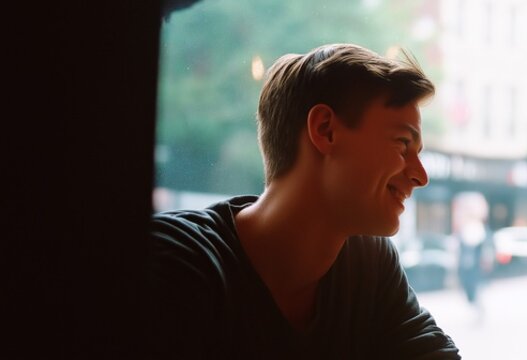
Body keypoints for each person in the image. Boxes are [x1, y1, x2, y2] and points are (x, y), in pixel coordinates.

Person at [147, 43, 460, 359]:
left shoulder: (367, 261)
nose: (421, 176)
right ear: (325, 130)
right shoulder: (177, 261)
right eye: (402, 143)